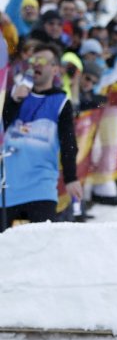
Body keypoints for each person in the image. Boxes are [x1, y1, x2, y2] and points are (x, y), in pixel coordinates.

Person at [2, 43, 82, 227]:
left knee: (39, 249)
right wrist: (13, 101)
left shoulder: (61, 102)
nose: (36, 64)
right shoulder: (14, 96)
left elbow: (69, 142)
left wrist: (70, 178)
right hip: (6, 189)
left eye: (43, 60)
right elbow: (2, 128)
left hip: (40, 188)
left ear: (55, 69)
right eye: (33, 60)